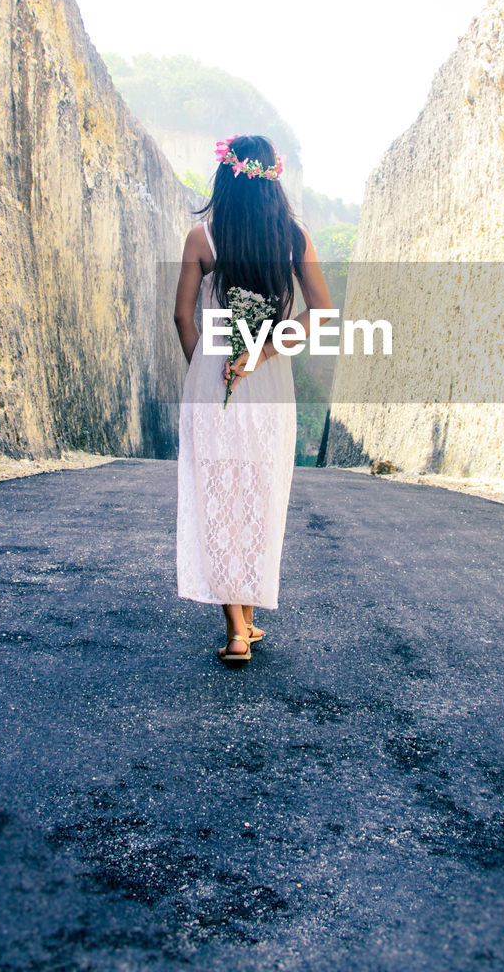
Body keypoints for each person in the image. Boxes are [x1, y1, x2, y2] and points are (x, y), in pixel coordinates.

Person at [173, 133, 332, 664]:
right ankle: (247, 621)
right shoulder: (292, 236)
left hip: (214, 379)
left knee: (219, 493)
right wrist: (261, 355)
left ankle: (237, 628)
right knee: (257, 493)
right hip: (268, 384)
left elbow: (182, 316)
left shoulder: (203, 237)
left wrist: (208, 370)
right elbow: (320, 314)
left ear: (225, 178)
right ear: (273, 180)